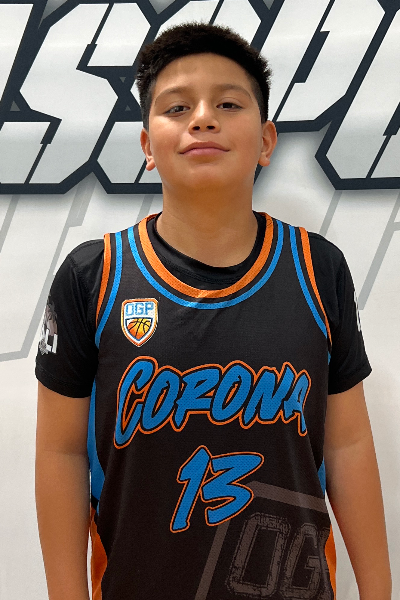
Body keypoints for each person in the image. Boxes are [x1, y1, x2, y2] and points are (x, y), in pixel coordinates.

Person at [35, 22, 391, 600]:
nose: (202, 118)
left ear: (267, 141)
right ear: (147, 147)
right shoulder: (92, 276)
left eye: (228, 103)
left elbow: (347, 444)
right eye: (177, 107)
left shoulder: (317, 268)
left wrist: (379, 591)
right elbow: (61, 451)